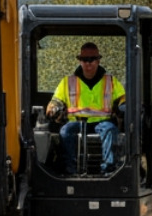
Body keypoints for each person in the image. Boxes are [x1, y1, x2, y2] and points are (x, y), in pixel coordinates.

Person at [48, 42, 125, 175]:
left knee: (110, 130)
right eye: (85, 60)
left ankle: (108, 170)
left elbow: (122, 99)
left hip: (102, 122)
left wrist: (124, 106)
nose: (88, 63)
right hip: (76, 122)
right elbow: (56, 100)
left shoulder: (111, 81)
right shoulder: (67, 82)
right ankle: (70, 170)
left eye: (92, 59)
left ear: (98, 60)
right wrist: (53, 107)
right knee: (65, 131)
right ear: (80, 61)